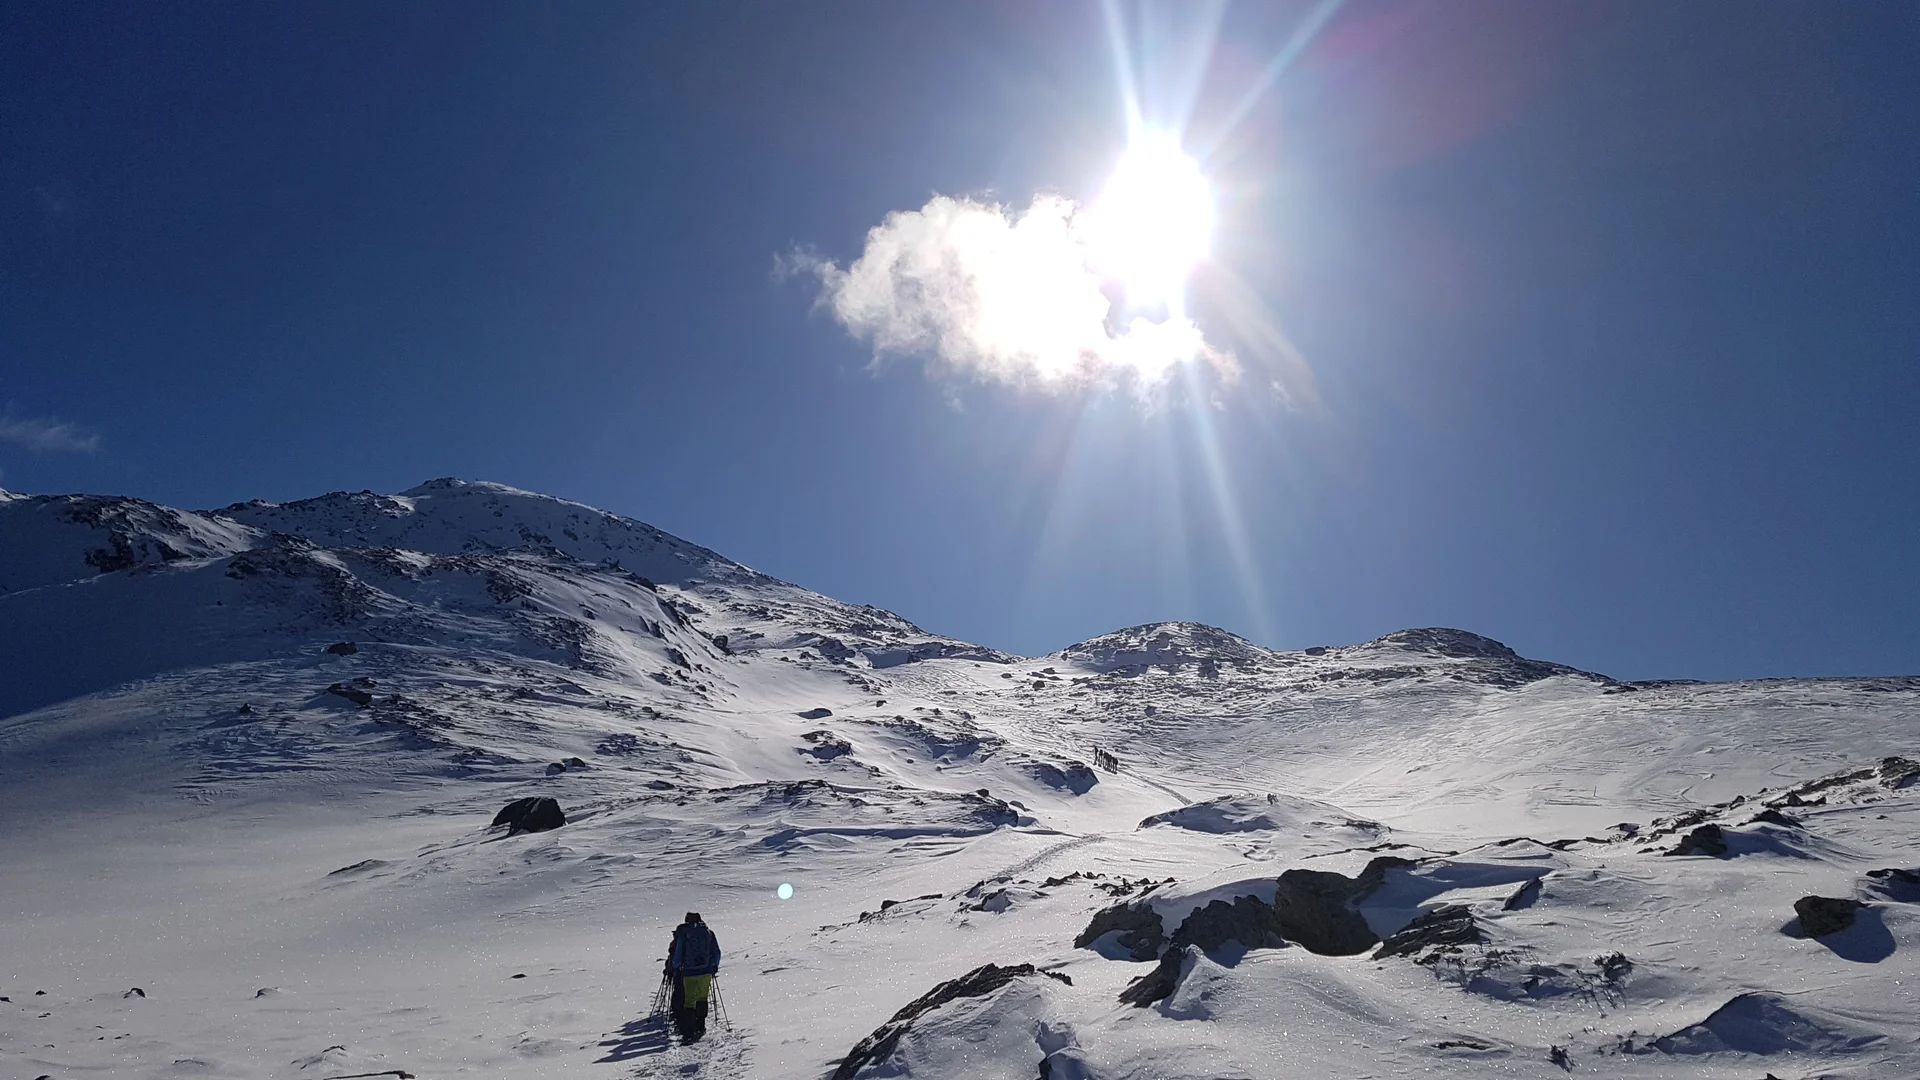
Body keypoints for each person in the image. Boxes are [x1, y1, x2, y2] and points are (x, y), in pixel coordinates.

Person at [665, 911, 721, 1043]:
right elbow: (716, 952)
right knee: (702, 997)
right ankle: (700, 1027)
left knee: (689, 1000)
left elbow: (678, 954)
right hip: (706, 971)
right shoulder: (708, 933)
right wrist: (713, 966)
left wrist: (675, 966)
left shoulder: (684, 934)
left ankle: (688, 1032)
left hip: (689, 972)